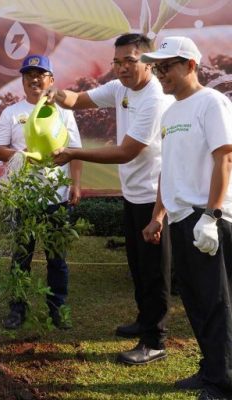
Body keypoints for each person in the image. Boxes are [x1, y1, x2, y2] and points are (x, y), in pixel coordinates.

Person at [48, 33, 172, 365]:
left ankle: (155, 340)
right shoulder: (120, 88)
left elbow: (127, 151)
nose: (121, 68)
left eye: (129, 60)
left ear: (148, 62)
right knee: (137, 265)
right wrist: (54, 94)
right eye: (116, 62)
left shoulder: (155, 99)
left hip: (154, 197)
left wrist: (74, 152)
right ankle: (144, 321)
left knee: (154, 270)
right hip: (132, 193)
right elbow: (77, 100)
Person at [142, 36, 232, 400]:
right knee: (196, 300)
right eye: (157, 68)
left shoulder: (212, 102)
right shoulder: (170, 113)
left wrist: (212, 214)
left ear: (191, 65)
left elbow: (225, 157)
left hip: (206, 217)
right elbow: (169, 169)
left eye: (166, 66)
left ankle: (223, 383)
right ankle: (211, 369)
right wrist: (157, 216)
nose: (160, 74)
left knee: (217, 302)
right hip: (180, 219)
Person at [0, 54, 82, 329]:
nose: (34, 80)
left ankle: (58, 309)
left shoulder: (64, 112)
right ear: (22, 81)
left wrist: (76, 184)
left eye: (40, 75)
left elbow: (75, 150)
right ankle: (17, 309)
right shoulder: (12, 112)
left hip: (56, 196)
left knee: (57, 258)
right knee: (21, 257)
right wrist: (21, 156)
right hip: (24, 196)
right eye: (28, 75)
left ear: (51, 80)